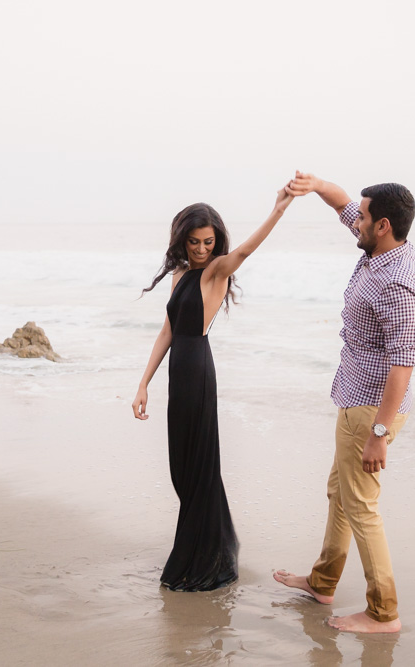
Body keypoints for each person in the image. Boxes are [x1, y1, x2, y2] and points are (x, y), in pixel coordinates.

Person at [274, 171, 415, 633]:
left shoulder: (396, 281)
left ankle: (384, 612)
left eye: (361, 217)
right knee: (341, 494)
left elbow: (403, 362)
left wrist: (379, 434)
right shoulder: (379, 247)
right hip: (355, 397)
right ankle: (323, 582)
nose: (352, 221)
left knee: (360, 506)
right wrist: (314, 184)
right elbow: (342, 201)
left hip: (371, 411)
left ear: (382, 225)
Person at [133, 186, 294, 591]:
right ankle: (204, 544)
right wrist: (143, 383)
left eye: (208, 242)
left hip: (199, 373)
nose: (202, 249)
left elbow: (245, 252)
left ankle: (201, 557)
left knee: (201, 468)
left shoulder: (216, 271)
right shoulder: (180, 274)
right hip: (177, 374)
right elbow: (166, 332)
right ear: (181, 239)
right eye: (194, 242)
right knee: (182, 469)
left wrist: (277, 210)